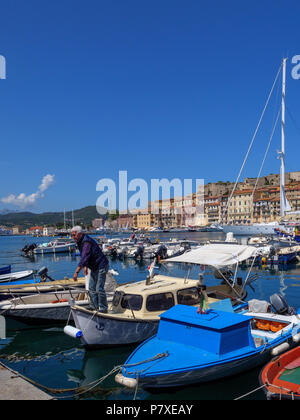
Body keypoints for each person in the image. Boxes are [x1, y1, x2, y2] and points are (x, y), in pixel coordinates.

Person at [72, 226, 109, 313]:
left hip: (101, 265)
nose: (73, 237)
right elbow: (87, 256)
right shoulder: (80, 241)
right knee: (91, 288)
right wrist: (86, 267)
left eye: (74, 235)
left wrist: (76, 272)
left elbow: (84, 258)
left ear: (80, 234)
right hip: (94, 266)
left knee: (99, 288)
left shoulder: (86, 242)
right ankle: (94, 306)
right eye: (72, 235)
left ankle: (103, 308)